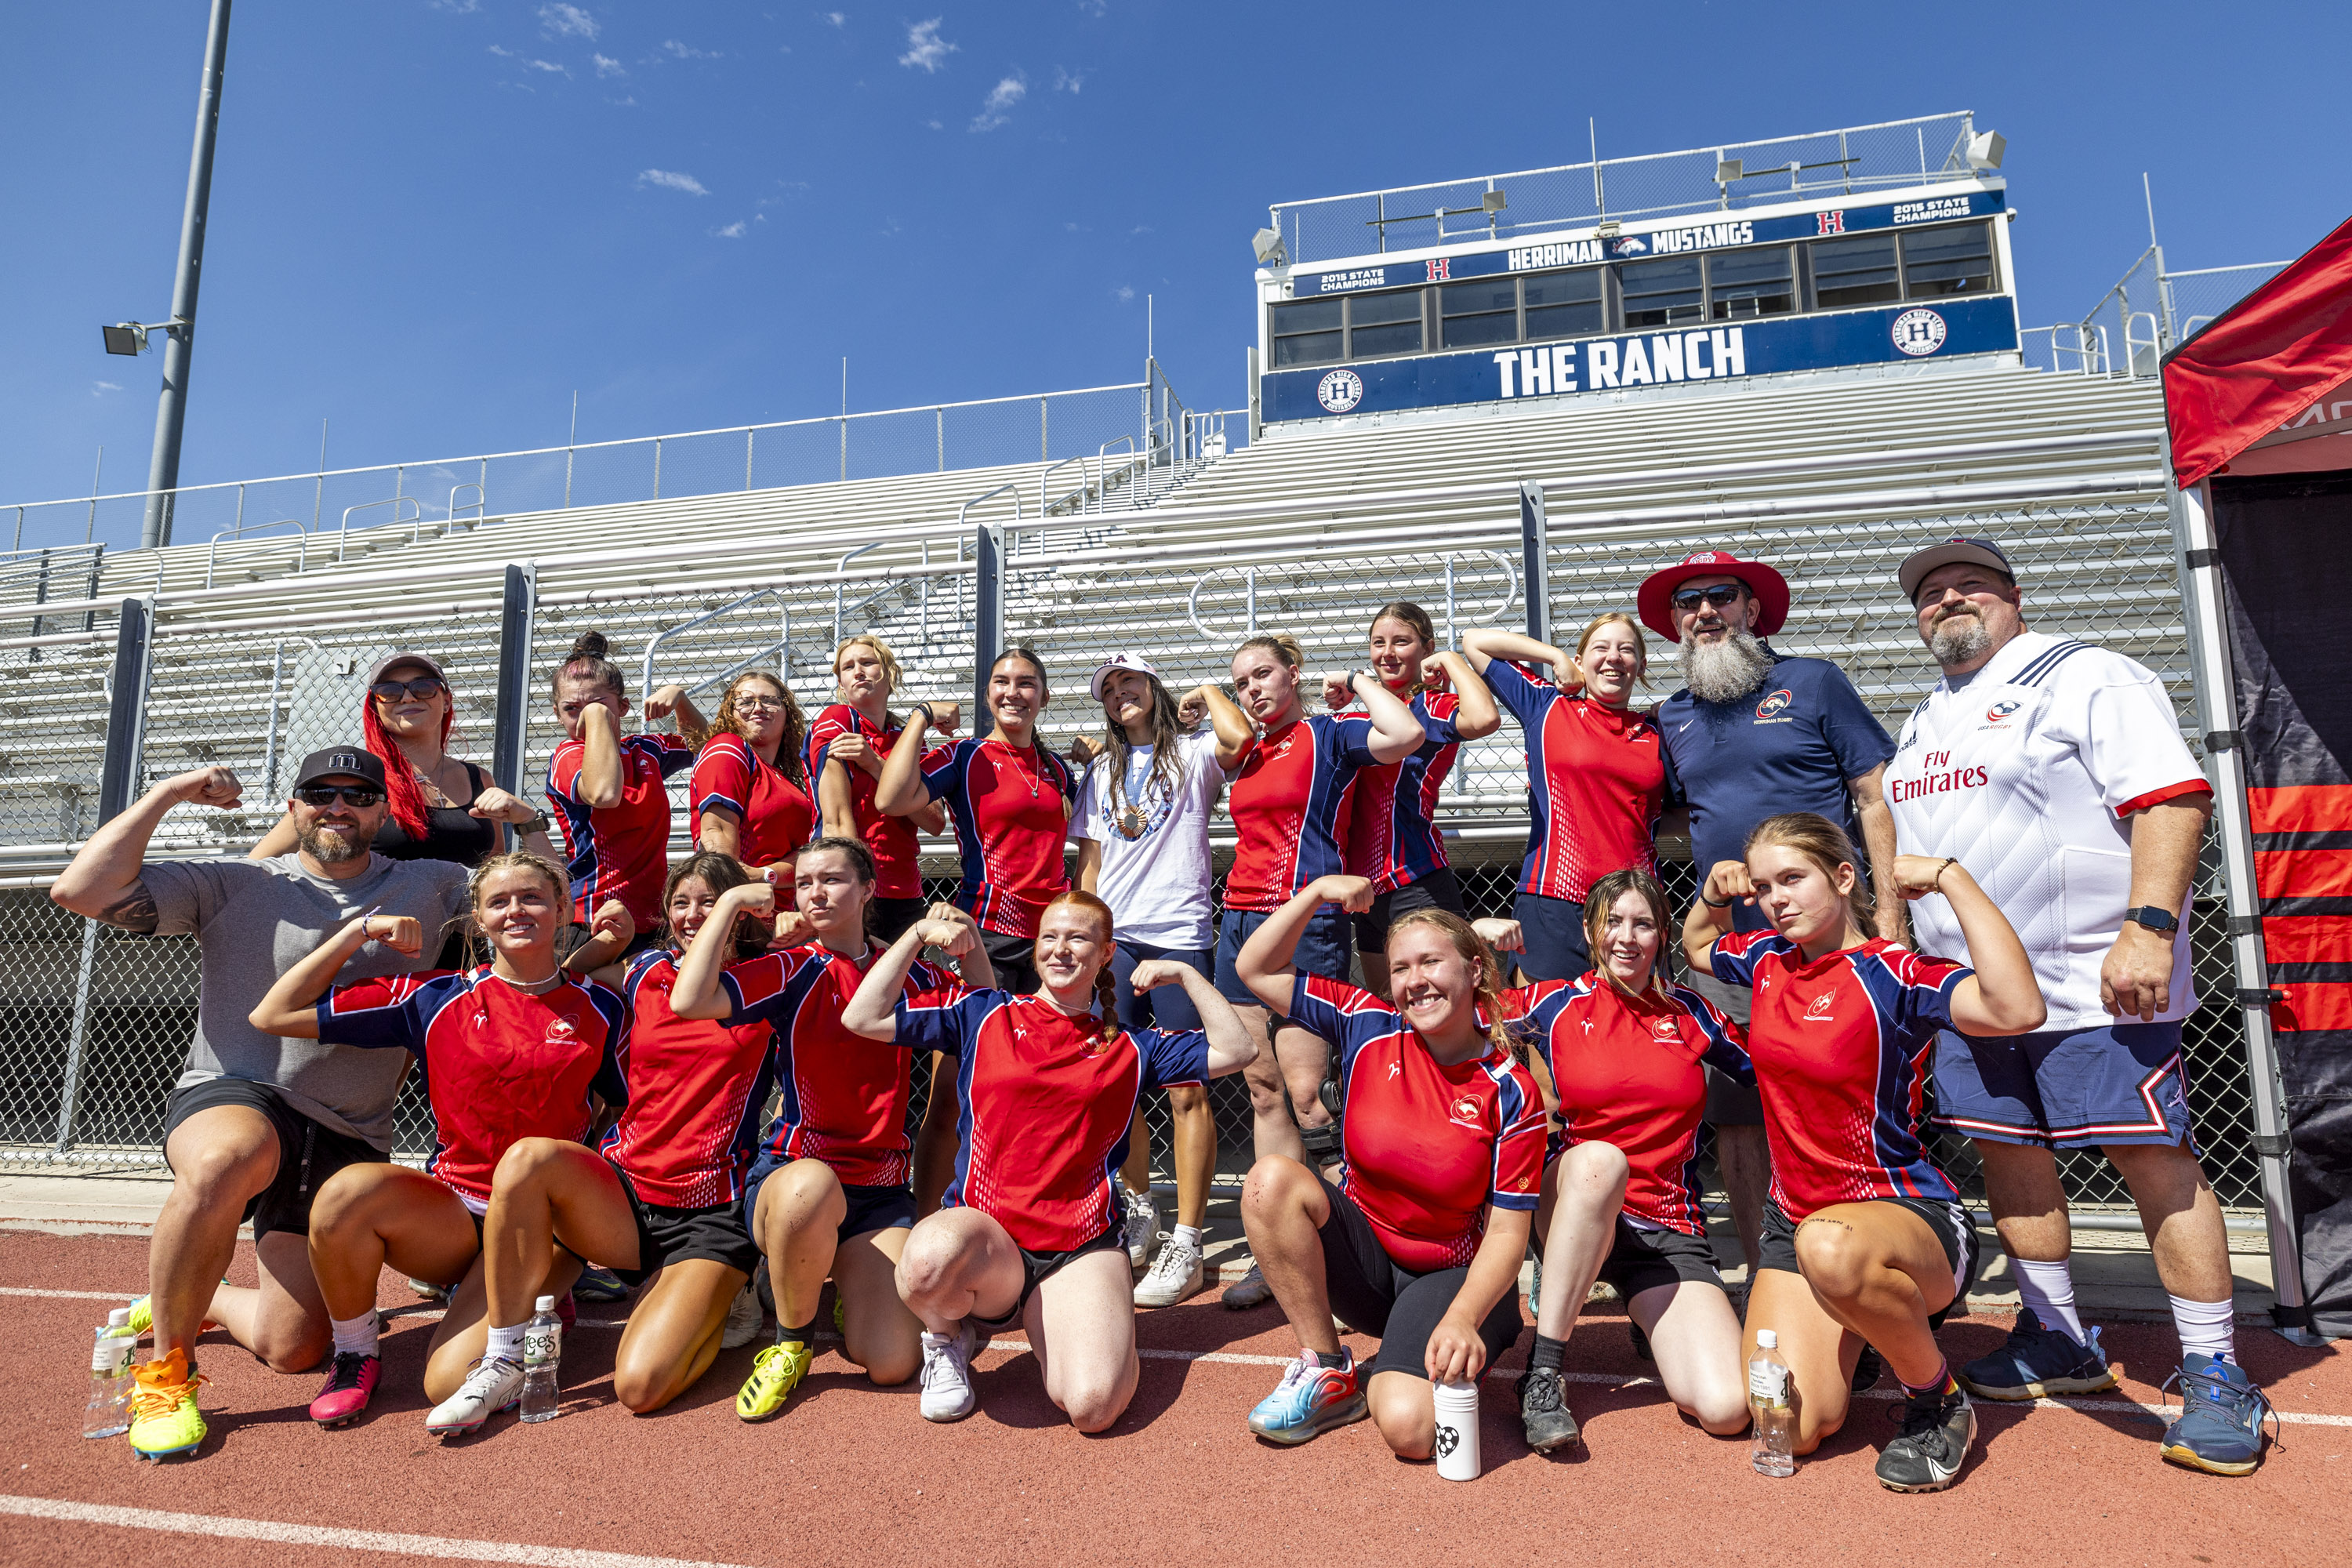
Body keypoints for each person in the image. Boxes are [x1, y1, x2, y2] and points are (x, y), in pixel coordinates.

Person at [1884, 535, 2271, 1475]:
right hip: (1973, 993)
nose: (1947, 601)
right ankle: (2059, 1334)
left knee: (2154, 1160)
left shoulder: (2087, 673)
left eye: (1968, 583)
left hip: (2095, 977)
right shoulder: (1923, 719)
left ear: (2014, 596)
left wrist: (2148, 925)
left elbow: (2174, 800)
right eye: (1930, 594)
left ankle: (2217, 1366)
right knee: (2010, 1159)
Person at [48, 748, 470, 1461]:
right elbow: (79, 891)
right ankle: (167, 1378)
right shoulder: (234, 880)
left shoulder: (433, 884)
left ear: (382, 810)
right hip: (240, 1092)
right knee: (226, 1159)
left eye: (358, 795)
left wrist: (530, 828)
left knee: (293, 1347)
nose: (338, 806)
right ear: (294, 807)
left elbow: (535, 907)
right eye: (319, 793)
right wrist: (169, 792)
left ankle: (194, 1293)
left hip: (348, 1134)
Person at [1683, 812, 2043, 1493]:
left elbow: (2017, 1008)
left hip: (1909, 1217)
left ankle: (1937, 1400)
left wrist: (1951, 880)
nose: (1776, 899)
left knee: (1833, 1246)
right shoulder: (1764, 959)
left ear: (1844, 877)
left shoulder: (1895, 972)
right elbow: (1698, 944)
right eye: (1763, 887)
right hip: (1799, 1226)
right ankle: (1860, 1332)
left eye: (1793, 879)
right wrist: (1712, 895)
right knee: (1784, 1427)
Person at [243, 850, 634, 1439]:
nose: (516, 911)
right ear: (478, 920)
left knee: (445, 1382)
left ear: (563, 909)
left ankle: (550, 1288)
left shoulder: (601, 1007)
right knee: (346, 1192)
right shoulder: (431, 997)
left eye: (531, 897)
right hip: (454, 1216)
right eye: (498, 902)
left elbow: (628, 1107)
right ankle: (355, 1354)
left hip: (539, 1226)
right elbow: (274, 1013)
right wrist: (356, 932)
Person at [841, 891, 1258, 1431]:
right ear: (1036, 948)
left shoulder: (1133, 1047)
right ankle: (948, 1336)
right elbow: (862, 1016)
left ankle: (1059, 1323)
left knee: (1093, 1407)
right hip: (988, 1243)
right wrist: (918, 936)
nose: (1061, 950)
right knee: (925, 1263)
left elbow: (1238, 1050)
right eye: (1050, 938)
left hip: (1077, 1246)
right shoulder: (983, 1012)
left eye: (1078, 938)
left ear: (1107, 953)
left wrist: (1184, 973)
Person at [1639, 549, 1902, 1281]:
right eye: (1687, 604)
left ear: (1753, 610)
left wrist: (1889, 917)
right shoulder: (1673, 715)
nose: (1703, 614)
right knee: (1739, 1118)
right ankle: (1769, 1279)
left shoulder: (1812, 681)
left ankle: (1859, 1267)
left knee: (1846, 1104)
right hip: (1727, 954)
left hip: (1827, 944)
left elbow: (1875, 794)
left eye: (1719, 597)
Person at [669, 838, 993, 1421]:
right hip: (793, 1179)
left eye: (833, 880)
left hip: (876, 1192)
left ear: (869, 890)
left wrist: (966, 934)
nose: (815, 892)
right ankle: (791, 1342)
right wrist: (732, 903)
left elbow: (986, 1013)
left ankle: (843, 1284)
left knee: (893, 1362)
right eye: (806, 882)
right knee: (811, 1185)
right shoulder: (793, 965)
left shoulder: (908, 975)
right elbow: (690, 1000)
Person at [1232, 877, 1543, 1456]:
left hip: (1450, 1276)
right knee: (1270, 1180)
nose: (1414, 981)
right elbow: (1254, 969)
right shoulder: (1367, 1022)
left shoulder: (1511, 1089)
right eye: (1401, 968)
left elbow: (1507, 1232)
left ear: (1474, 971)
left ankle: (1424, 1351)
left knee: (1410, 1431)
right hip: (1367, 1265)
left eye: (1431, 962)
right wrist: (1317, 892)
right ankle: (1327, 1371)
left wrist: (1463, 1316)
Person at [1214, 633, 1425, 1308]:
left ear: (1293, 675)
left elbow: (1408, 732)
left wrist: (1359, 681)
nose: (1253, 689)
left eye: (1264, 674)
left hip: (1309, 922)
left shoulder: (1328, 733)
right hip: (1242, 923)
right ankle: (1273, 1247)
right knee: (1263, 1090)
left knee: (1310, 1098)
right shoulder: (1245, 752)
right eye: (1242, 681)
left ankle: (1358, 1247)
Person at [1508, 868, 1752, 1452]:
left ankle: (1650, 1320)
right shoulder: (1554, 1003)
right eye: (1613, 921)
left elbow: (1779, 1064)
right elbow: (1447, 1019)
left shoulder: (1693, 1013)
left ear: (1662, 935)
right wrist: (1477, 949)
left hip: (1665, 1228)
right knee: (1600, 1164)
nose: (1627, 937)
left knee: (1727, 1410)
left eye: (1643, 924)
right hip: (1574, 1202)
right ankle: (1543, 1374)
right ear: (1592, 930)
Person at [874, 646, 1075, 1215]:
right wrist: (919, 718)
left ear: (1045, 695)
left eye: (1027, 683)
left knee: (1032, 1087)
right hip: (984, 934)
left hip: (1052, 947)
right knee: (951, 1095)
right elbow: (892, 799)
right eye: (1002, 682)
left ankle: (1009, 1209)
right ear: (988, 693)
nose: (1014, 692)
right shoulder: (965, 755)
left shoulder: (1058, 768)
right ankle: (926, 1223)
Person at [1068, 652, 1235, 1306]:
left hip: (1178, 938)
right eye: (1108, 689)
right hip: (1117, 941)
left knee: (1187, 1088)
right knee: (1120, 1085)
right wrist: (1087, 936)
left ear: (1153, 687)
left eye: (1129, 681)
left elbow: (1241, 738)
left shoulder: (1195, 753)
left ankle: (1189, 1239)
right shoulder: (1100, 770)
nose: (1118, 694)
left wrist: (1202, 691)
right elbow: (1090, 863)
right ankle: (1141, 1211)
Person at [1462, 613, 1673, 980]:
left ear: (1640, 666)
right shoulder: (1547, 708)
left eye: (1627, 650)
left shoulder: (1659, 732)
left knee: (1635, 1030)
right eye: (1601, 648)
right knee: (1544, 1029)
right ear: (1580, 661)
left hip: (1633, 907)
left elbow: (1673, 812)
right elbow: (1475, 643)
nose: (1614, 657)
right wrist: (1554, 657)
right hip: (1555, 899)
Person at [249, 654, 558, 891]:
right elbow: (259, 863)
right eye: (390, 691)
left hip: (458, 946)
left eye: (423, 688)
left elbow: (489, 867)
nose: (408, 697)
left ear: (447, 700)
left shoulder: (478, 779)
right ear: (375, 707)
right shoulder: (359, 779)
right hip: (379, 946)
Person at [1327, 602, 1500, 990]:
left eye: (1401, 642)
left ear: (1425, 648)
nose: (1387, 653)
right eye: (1378, 643)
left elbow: (1485, 719)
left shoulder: (1428, 705)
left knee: (1455, 1006)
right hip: (1366, 890)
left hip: (1414, 880)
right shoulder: (1370, 712)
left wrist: (1450, 660)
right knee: (1391, 1010)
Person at [546, 630, 709, 946]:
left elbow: (706, 745)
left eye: (596, 704)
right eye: (571, 709)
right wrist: (597, 715)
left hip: (653, 915)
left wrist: (681, 699)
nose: (582, 716)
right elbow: (604, 793)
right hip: (594, 917)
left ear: (623, 707)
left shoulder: (642, 750)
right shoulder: (567, 755)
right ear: (556, 713)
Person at [806, 633, 949, 943]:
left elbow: (935, 821)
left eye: (867, 662)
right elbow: (836, 822)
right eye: (848, 667)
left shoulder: (907, 737)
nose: (858, 671)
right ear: (840, 683)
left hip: (905, 888)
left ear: (889, 673)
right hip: (858, 886)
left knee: (903, 988)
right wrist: (850, 888)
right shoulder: (838, 720)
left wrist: (874, 763)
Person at [691, 670, 816, 876]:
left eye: (770, 701)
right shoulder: (727, 747)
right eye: (745, 702)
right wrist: (733, 892)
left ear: (787, 714)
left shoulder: (785, 778)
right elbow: (717, 832)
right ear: (730, 714)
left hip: (781, 902)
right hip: (740, 900)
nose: (758, 708)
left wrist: (765, 875)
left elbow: (805, 859)